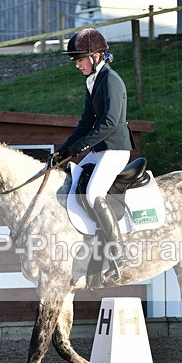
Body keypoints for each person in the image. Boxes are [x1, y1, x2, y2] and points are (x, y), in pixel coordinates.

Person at [54, 28, 134, 279]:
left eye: (80, 59)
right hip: (101, 148)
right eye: (76, 61)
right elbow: (86, 121)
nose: (77, 65)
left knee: (93, 192)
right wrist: (64, 150)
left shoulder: (110, 80)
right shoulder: (93, 81)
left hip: (115, 149)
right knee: (73, 182)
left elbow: (109, 122)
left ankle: (119, 251)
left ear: (97, 56)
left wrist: (82, 146)